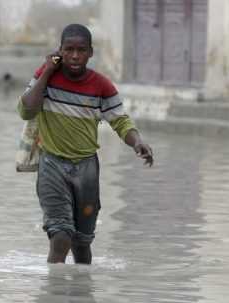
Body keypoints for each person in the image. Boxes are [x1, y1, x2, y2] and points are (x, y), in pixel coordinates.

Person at [18, 24, 153, 264]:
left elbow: (119, 120)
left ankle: (82, 292)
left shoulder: (101, 85)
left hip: (87, 170)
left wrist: (137, 141)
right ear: (59, 51)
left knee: (82, 243)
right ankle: (55, 293)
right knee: (60, 236)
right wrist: (47, 72)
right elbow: (26, 110)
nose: (75, 56)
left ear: (91, 52)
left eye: (81, 50)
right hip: (52, 166)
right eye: (68, 49)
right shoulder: (46, 77)